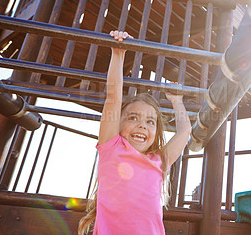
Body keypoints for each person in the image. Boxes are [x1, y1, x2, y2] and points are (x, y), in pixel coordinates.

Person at [78, 31, 192, 234]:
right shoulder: (111, 148)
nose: (142, 125)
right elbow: (113, 98)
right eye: (133, 118)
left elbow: (184, 132)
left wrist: (177, 101)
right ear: (118, 124)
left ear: (155, 131)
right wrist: (118, 53)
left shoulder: (159, 161)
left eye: (150, 122)